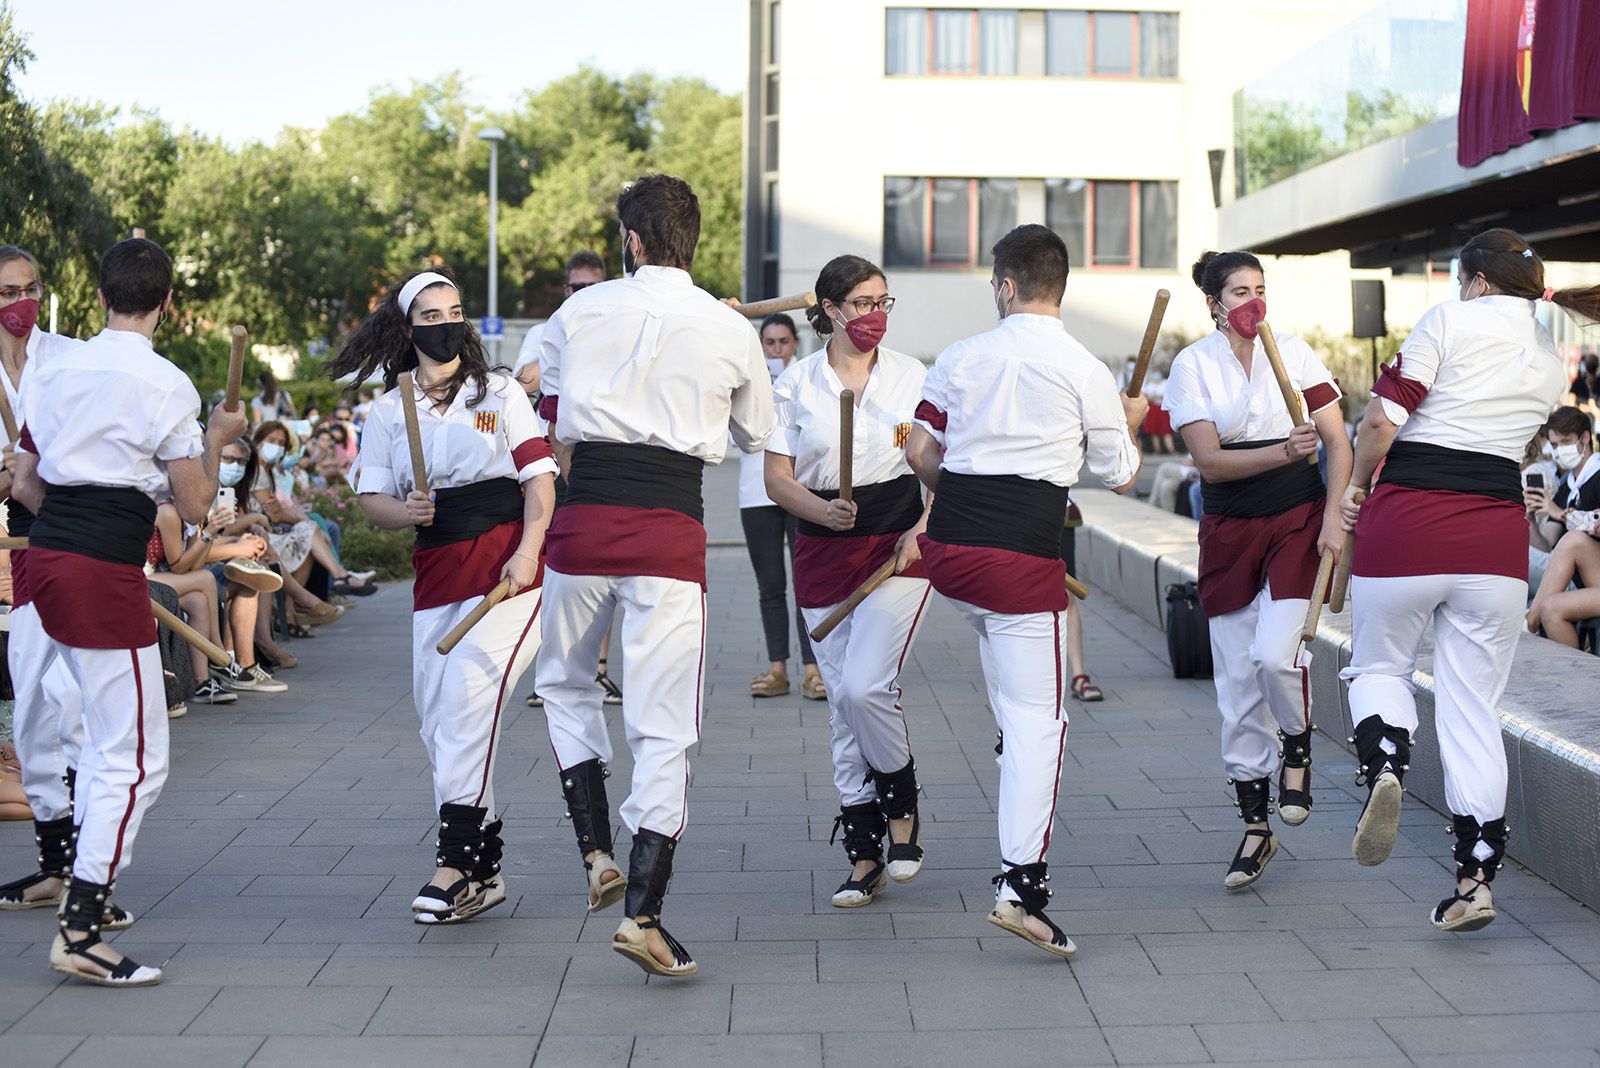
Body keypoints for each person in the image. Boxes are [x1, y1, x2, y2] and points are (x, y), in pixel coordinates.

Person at [536, 174, 774, 976]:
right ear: (692, 240)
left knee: (567, 685)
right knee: (664, 722)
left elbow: (543, 395)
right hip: (671, 531)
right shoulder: (726, 327)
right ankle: (643, 910)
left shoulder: (581, 309)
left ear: (631, 242)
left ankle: (596, 849)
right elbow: (754, 433)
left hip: (584, 519)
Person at [1338, 228, 1593, 931]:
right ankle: (1475, 878)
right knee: (1474, 709)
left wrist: (1355, 488)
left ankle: (1385, 762)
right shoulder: (1546, 353)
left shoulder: (1448, 319)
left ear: (1477, 281)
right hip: (1495, 539)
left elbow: (1380, 423)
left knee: (1378, 665)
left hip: (1410, 518)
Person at [12, 237, 249, 985]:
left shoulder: (54, 367)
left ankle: (76, 891)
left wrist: (79, 523)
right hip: (97, 571)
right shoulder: (166, 383)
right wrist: (217, 439)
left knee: (62, 725)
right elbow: (196, 501)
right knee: (135, 756)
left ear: (101, 294)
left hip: (45, 561)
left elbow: (25, 480)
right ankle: (82, 927)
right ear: (168, 302)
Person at [905, 224, 1144, 957]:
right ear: (1059, 286)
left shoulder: (962, 356)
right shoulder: (1084, 368)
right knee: (1046, 725)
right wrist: (1127, 426)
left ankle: (1011, 741)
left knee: (1015, 694)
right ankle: (1021, 888)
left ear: (1007, 285)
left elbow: (920, 449)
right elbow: (1122, 474)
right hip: (1018, 562)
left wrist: (970, 496)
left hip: (952, 557)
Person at [331, 267, 558, 925]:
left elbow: (540, 477)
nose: (445, 322)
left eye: (454, 310)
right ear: (408, 329)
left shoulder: (499, 392)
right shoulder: (386, 408)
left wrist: (529, 548)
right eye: (431, 314)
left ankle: (452, 863)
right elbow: (371, 500)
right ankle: (484, 873)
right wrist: (406, 513)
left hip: (508, 573)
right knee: (441, 724)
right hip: (436, 574)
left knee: (463, 703)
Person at [1161, 250, 1351, 891]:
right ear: (1214, 303)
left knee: (1277, 656)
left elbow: (1339, 440)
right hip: (1228, 529)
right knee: (1237, 687)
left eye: (1259, 289)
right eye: (1239, 291)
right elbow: (1209, 462)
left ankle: (1296, 743)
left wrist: (1334, 519)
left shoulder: (1294, 353)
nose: (1252, 302)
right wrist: (1281, 450)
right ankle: (1255, 827)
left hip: (1296, 521)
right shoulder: (1192, 366)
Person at [765, 255, 930, 907]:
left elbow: (949, 462)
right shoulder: (795, 385)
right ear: (830, 309)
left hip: (899, 546)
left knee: (866, 687)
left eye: (884, 302)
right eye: (863, 303)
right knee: (841, 704)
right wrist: (820, 508)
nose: (876, 316)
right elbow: (779, 479)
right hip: (821, 546)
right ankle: (863, 854)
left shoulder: (913, 375)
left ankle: (903, 805)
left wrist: (927, 523)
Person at [0, 245, 98, 920]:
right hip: (18, 549)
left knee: (75, 705)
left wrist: (35, 469)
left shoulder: (68, 358)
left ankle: (94, 872)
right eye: (9, 291)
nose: (22, 303)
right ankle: (53, 865)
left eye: (31, 288)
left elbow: (92, 441)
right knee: (33, 704)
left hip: (68, 528)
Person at [514, 249, 621, 708]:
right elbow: (524, 383)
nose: (585, 295)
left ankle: (597, 669)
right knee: (551, 569)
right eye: (578, 288)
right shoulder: (544, 331)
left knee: (602, 570)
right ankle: (550, 671)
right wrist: (541, 369)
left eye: (594, 287)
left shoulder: (617, 328)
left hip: (596, 460)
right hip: (548, 463)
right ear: (565, 291)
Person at [744, 312, 823, 701]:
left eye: (783, 342)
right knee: (770, 584)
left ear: (794, 344)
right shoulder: (749, 379)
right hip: (754, 493)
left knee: (804, 582)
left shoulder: (806, 378)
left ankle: (813, 669)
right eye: (769, 343)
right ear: (761, 346)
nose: (776, 349)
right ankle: (778, 668)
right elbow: (741, 434)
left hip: (797, 490)